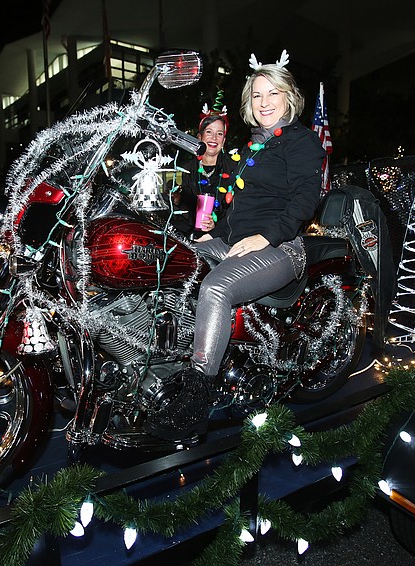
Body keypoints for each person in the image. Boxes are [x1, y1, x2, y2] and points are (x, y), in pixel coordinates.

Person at [144, 50, 326, 441]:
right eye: (257, 95)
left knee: (216, 287)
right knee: (167, 264)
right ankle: (163, 364)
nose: (264, 103)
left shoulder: (301, 142)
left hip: (282, 247)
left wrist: (266, 236)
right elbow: (241, 206)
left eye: (272, 94)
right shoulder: (251, 149)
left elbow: (304, 200)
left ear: (288, 98)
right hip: (235, 240)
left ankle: (195, 402)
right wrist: (213, 234)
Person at [171, 108, 233, 239]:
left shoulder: (233, 169)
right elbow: (181, 212)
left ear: (224, 140)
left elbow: (237, 211)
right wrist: (176, 201)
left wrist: (216, 226)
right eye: (209, 132)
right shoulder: (186, 170)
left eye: (220, 134)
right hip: (189, 237)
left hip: (222, 239)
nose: (214, 138)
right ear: (200, 137)